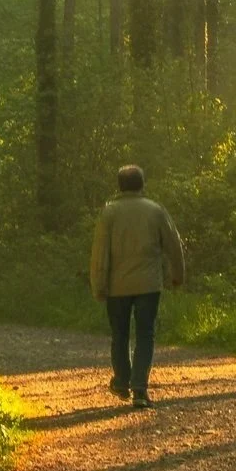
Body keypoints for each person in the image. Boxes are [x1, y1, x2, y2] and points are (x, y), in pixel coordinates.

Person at [88, 165, 186, 406]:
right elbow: (173, 244)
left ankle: (122, 382)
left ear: (119, 186)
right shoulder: (155, 210)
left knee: (119, 334)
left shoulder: (109, 213)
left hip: (116, 286)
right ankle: (140, 389)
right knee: (145, 334)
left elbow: (100, 253)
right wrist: (177, 274)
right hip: (148, 285)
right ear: (142, 184)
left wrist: (98, 284)